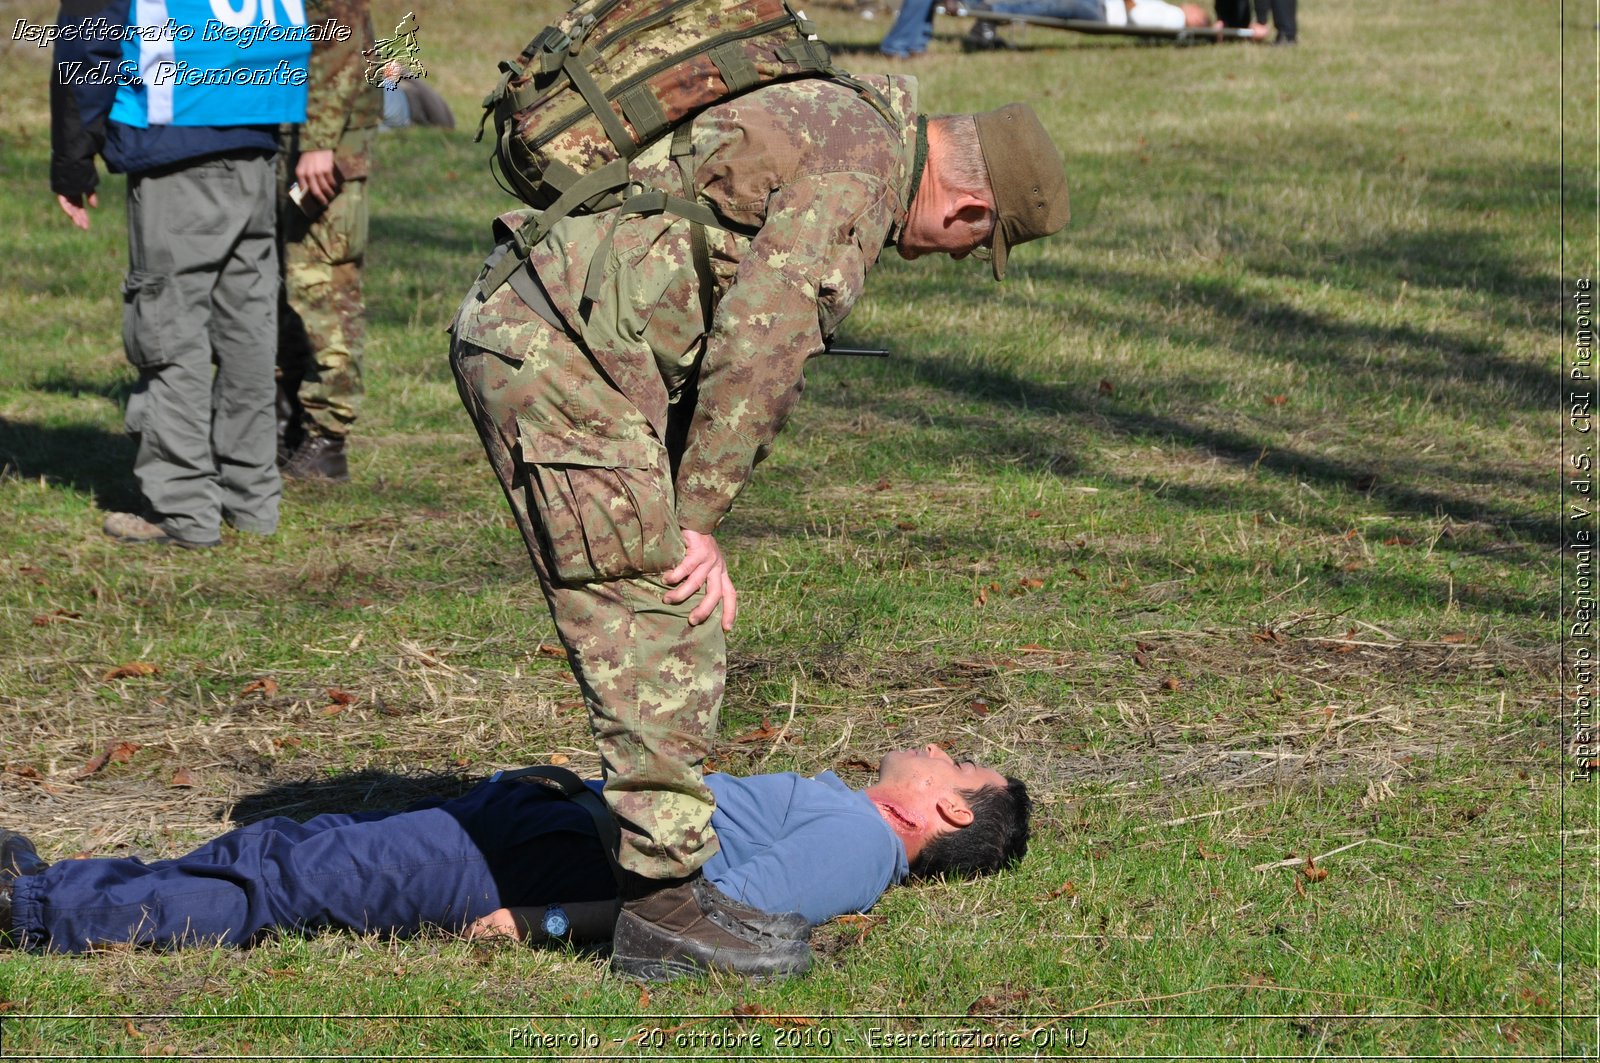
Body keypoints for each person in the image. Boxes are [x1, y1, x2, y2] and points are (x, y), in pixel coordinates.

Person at [451, 73, 1067, 979]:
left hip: (578, 345)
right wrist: (694, 516)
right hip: (559, 358)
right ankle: (665, 917)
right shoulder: (864, 172)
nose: (951, 256)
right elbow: (762, 342)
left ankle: (667, 891)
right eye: (975, 244)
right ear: (970, 205)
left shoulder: (855, 122)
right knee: (658, 620)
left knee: (667, 613)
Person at [0, 746, 1031, 981]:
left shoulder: (858, 844)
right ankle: (55, 885)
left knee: (294, 885)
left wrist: (544, 923)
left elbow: (713, 909)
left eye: (952, 756)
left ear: (944, 804)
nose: (928, 745)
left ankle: (37, 917)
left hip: (540, 858)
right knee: (295, 848)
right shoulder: (848, 821)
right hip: (543, 817)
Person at [50, 0, 310, 548]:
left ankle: (185, 511)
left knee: (170, 335)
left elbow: (86, 40)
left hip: (177, 152)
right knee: (249, 334)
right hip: (258, 147)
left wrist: (73, 160)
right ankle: (253, 502)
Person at [276, 0, 383, 483]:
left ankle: (325, 441)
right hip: (296, 144)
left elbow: (337, 30)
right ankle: (293, 427)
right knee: (290, 290)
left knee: (322, 291)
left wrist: (317, 140)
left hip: (322, 154)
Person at [963, 0, 1268, 49]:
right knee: (1044, 4)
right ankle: (988, 13)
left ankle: (988, 10)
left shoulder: (1176, 19)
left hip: (1104, 12)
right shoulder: (1174, 14)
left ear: (1197, 18)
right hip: (1102, 9)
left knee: (1046, 5)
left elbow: (1138, 18)